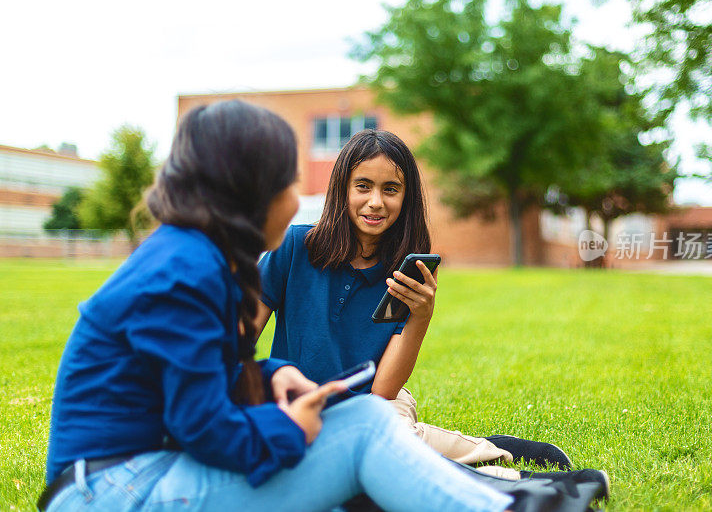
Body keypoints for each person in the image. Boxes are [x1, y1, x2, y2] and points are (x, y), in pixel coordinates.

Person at [39, 100, 584, 512]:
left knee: (371, 419)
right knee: (368, 430)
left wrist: (272, 375)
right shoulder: (189, 272)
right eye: (288, 183)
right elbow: (200, 426)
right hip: (111, 491)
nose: (297, 199)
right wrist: (289, 431)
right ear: (251, 191)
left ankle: (501, 498)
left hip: (124, 478)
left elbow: (204, 376)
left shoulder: (189, 256)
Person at [254, 129, 572, 479]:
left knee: (381, 442)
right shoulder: (294, 247)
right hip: (303, 403)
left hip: (378, 404)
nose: (376, 201)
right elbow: (237, 338)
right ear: (342, 189)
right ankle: (482, 452)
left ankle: (503, 466)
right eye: (363, 186)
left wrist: (421, 316)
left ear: (406, 198)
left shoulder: (406, 272)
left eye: (390, 189)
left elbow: (383, 391)